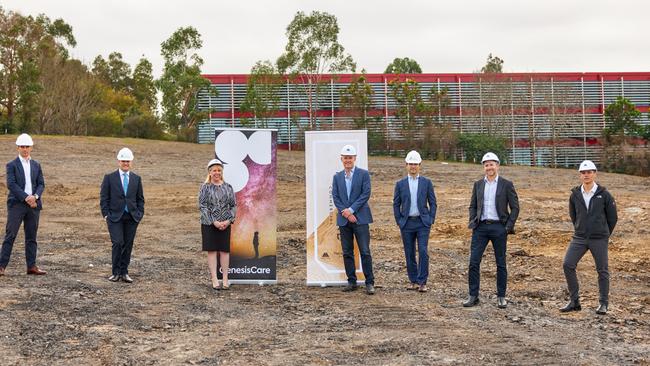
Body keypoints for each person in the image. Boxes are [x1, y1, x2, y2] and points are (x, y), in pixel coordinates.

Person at [560, 160, 617, 315]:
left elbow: (612, 218)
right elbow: (574, 215)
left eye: (589, 172)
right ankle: (574, 301)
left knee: (602, 270)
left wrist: (603, 233)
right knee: (568, 264)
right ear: (580, 175)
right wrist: (580, 227)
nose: (586, 175)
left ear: (594, 173)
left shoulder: (604, 194)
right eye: (583, 173)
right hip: (579, 237)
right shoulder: (575, 195)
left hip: (599, 238)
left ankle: (603, 303)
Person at [463, 152, 519, 308]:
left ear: (497, 165)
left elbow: (515, 207)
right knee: (474, 262)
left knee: (500, 263)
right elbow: (473, 205)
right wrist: (472, 220)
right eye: (486, 165)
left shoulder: (506, 184)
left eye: (491, 164)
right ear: (484, 167)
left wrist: (508, 227)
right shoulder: (478, 184)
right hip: (480, 228)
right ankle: (473, 295)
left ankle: (501, 296)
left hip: (499, 228)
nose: (489, 167)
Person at [331, 144, 375, 295]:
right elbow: (335, 197)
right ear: (341, 159)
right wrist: (346, 213)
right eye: (345, 158)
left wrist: (351, 210)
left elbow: (365, 194)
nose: (348, 160)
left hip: (360, 219)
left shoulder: (363, 174)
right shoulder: (337, 177)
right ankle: (352, 281)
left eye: (350, 157)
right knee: (347, 251)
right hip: (345, 220)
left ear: (355, 158)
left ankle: (369, 282)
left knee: (365, 251)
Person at [0, 134, 46, 276]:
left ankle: (31, 266)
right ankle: (1, 266)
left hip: (33, 205)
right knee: (11, 234)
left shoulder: (36, 165)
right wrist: (27, 198)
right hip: (17, 204)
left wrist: (35, 197)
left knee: (31, 236)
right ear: (18, 147)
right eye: (22, 146)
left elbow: (41, 184)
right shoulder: (12, 165)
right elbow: (11, 184)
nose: (25, 149)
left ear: (31, 147)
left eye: (27, 146)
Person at [393, 150, 437, 292]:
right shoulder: (400, 184)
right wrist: (399, 220)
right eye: (410, 164)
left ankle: (422, 281)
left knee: (423, 251)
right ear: (406, 165)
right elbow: (396, 203)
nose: (413, 167)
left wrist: (430, 219)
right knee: (409, 252)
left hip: (422, 223)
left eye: (415, 164)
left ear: (420, 165)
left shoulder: (426, 183)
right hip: (407, 223)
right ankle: (413, 281)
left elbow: (433, 203)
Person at [100, 148, 145, 283]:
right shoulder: (109, 178)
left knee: (128, 244)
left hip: (131, 217)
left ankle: (124, 272)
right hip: (114, 217)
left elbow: (140, 199)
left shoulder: (136, 179)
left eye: (128, 161)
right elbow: (104, 197)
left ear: (131, 162)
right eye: (123, 161)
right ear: (119, 161)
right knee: (118, 243)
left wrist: (139, 214)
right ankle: (115, 272)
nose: (126, 163)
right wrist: (106, 214)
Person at [199, 159, 236, 290]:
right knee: (212, 250)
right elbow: (202, 206)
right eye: (214, 170)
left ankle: (225, 278)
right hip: (209, 224)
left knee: (225, 251)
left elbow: (233, 205)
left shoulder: (228, 187)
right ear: (209, 172)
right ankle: (214, 279)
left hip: (225, 224)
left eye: (219, 170)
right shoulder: (205, 188)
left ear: (222, 172)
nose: (217, 172)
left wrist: (228, 220)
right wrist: (213, 221)